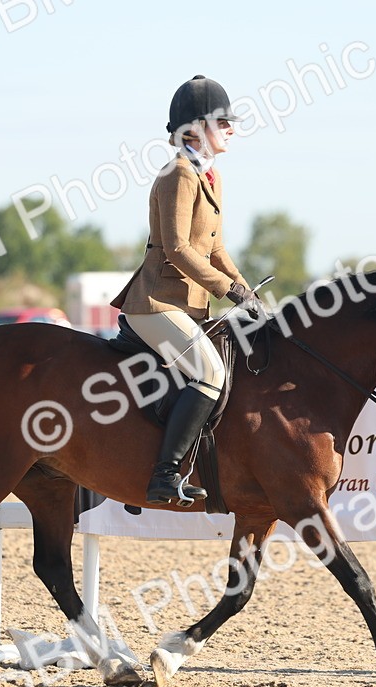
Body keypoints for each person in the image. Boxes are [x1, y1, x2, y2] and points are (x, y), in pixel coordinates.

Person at [110, 75, 263, 505]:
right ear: (194, 129)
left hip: (188, 305)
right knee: (210, 373)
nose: (232, 128)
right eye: (223, 121)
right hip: (157, 302)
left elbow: (214, 247)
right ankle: (164, 474)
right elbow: (177, 248)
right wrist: (229, 291)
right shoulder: (178, 173)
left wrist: (248, 293)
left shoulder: (210, 177)